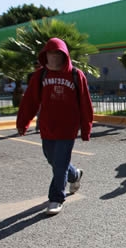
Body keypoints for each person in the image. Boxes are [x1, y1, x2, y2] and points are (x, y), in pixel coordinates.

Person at [16, 38, 93, 215]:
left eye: (57, 53)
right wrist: (23, 123)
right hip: (47, 127)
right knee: (54, 160)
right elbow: (30, 102)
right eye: (50, 53)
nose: (53, 57)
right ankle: (75, 174)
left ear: (64, 55)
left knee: (59, 165)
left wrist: (86, 128)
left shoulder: (75, 74)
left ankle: (56, 198)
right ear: (45, 55)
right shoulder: (40, 75)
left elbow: (85, 103)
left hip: (68, 128)